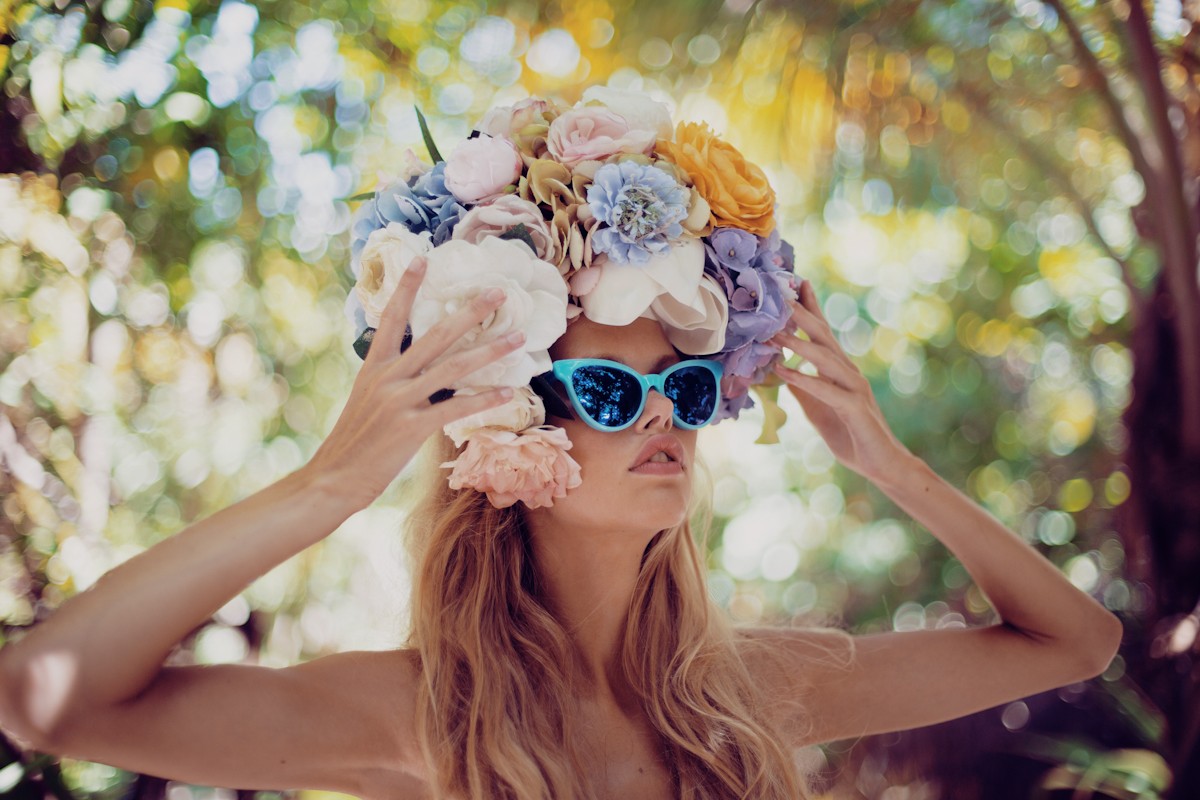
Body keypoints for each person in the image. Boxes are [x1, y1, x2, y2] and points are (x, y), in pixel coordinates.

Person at [0, 256, 1124, 799]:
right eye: (610, 389)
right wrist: (325, 488)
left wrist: (887, 462)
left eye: (687, 387)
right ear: (507, 439)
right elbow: (46, 698)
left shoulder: (748, 691)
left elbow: (1075, 641)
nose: (664, 415)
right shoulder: (422, 716)